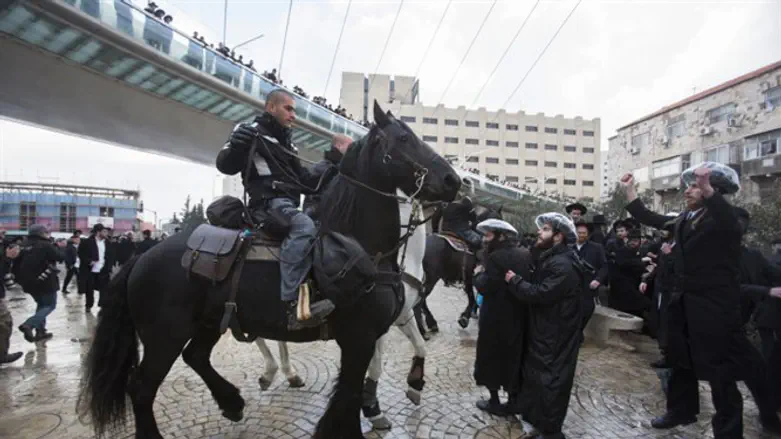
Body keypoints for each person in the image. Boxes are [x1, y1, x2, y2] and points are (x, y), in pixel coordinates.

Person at [622, 162, 781, 437]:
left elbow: (730, 226)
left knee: (723, 376)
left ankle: (729, 431)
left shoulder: (731, 217)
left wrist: (708, 190)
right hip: (685, 306)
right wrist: (630, 192)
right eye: (691, 185)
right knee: (679, 360)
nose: (688, 191)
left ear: (713, 189)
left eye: (694, 186)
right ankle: (681, 410)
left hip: (716, 311)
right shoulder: (685, 219)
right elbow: (652, 218)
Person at [216, 88, 332, 330]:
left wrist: (331, 165)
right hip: (267, 205)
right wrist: (237, 146)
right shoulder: (249, 132)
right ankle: (290, 306)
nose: (293, 115)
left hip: (288, 205)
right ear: (271, 108)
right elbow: (225, 165)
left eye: (294, 111)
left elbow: (305, 182)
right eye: (288, 109)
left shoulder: (290, 145)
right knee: (304, 227)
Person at [504, 213, 583, 439]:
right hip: (545, 331)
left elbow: (541, 293)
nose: (539, 232)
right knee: (538, 380)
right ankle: (538, 426)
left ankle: (551, 433)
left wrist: (515, 281)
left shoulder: (563, 264)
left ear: (558, 237)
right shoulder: (551, 257)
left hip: (556, 334)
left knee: (551, 383)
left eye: (546, 229)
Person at [472, 219, 531, 415]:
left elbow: (486, 286)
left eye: (489, 235)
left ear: (501, 236)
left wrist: (477, 275)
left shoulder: (495, 257)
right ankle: (513, 400)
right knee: (513, 358)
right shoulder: (525, 254)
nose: (485, 239)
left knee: (491, 357)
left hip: (495, 318)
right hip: (518, 316)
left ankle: (495, 401)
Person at [16, 225, 65, 342]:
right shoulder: (46, 245)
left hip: (28, 283)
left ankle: (40, 332)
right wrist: (59, 247)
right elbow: (60, 257)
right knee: (50, 305)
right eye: (46, 232)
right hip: (45, 281)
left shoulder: (23, 245)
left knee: (41, 305)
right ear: (41, 233)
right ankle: (29, 324)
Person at [302, 134, 351, 219]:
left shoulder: (339, 169)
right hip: (318, 214)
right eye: (350, 147)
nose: (352, 150)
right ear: (339, 146)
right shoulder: (326, 167)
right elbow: (310, 189)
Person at [574, 221, 607, 330]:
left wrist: (598, 280)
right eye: (579, 232)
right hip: (570, 288)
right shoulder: (568, 247)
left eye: (584, 233)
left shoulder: (597, 248)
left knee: (586, 312)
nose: (581, 235)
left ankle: (578, 334)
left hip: (588, 287)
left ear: (588, 234)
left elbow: (604, 267)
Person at [78, 224, 109, 312]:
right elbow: (81, 254)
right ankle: (89, 305)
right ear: (98, 232)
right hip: (90, 270)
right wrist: (89, 261)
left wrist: (109, 266)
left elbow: (110, 255)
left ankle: (102, 305)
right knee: (89, 289)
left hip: (103, 270)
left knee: (104, 289)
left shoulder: (108, 242)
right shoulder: (86, 242)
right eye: (104, 231)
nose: (106, 233)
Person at [0, 242, 22, 363]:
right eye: (16, 250)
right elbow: (7, 281)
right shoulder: (4, 260)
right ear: (9, 249)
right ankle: (2, 355)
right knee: (4, 323)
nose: (17, 252)